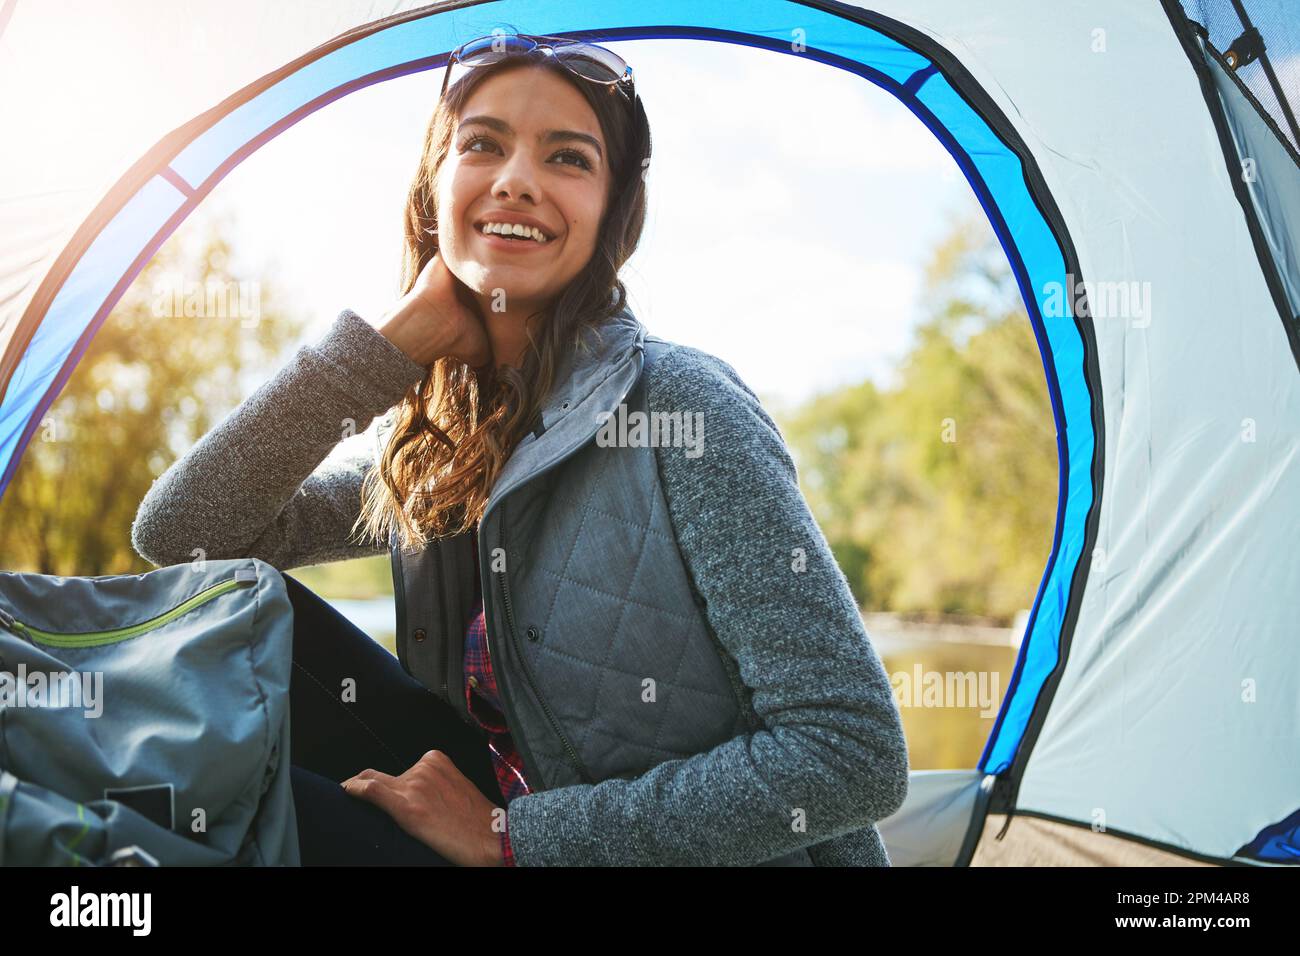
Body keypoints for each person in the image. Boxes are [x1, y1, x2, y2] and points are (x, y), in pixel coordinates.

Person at [131, 32, 910, 867]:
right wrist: (380, 351)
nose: (516, 179)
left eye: (568, 158)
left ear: (613, 213)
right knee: (251, 639)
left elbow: (853, 754)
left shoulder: (684, 409)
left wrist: (515, 838)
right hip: (502, 812)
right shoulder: (449, 446)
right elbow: (185, 537)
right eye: (483, 144)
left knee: (236, 808)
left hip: (558, 847)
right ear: (434, 190)